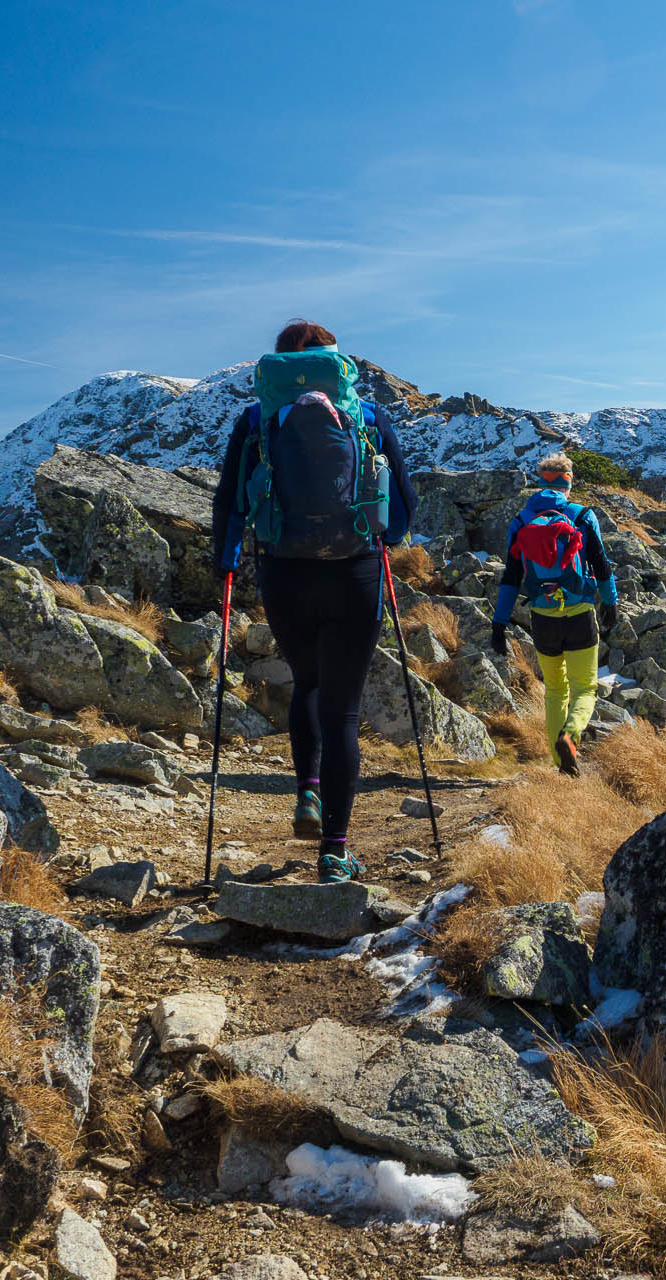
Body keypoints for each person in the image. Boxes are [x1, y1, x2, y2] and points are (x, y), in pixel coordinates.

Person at [210, 319, 419, 883]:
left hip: (284, 573)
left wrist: (227, 560)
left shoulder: (256, 420)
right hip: (355, 572)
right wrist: (380, 538)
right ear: (336, 359)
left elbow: (229, 501)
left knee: (307, 683)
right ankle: (334, 850)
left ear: (276, 364)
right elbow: (404, 506)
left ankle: (306, 790)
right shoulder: (366, 416)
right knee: (343, 708)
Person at [490, 453, 617, 776]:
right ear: (568, 483)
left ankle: (561, 766)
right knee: (585, 688)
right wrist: (610, 602)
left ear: (540, 481)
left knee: (556, 689)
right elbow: (601, 565)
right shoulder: (582, 515)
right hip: (579, 613)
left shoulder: (521, 521)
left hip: (542, 616)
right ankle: (570, 736)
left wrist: (500, 622)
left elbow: (511, 576)